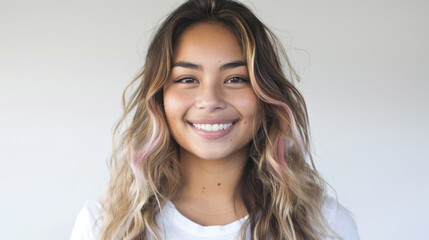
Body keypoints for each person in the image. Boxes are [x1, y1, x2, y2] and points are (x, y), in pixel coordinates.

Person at [70, 0, 360, 239]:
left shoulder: (324, 224)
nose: (210, 100)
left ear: (266, 95)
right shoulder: (104, 225)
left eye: (235, 79)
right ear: (159, 97)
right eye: (187, 79)